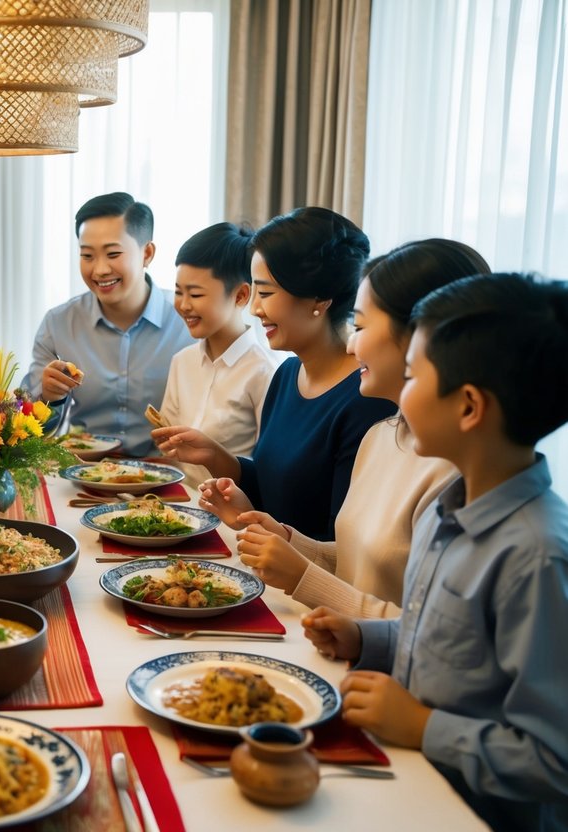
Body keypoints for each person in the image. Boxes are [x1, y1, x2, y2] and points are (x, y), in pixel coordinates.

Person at [304, 273, 568, 831]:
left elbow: (553, 760)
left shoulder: (537, 556)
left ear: (469, 406)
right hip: (407, 779)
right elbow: (453, 646)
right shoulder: (448, 508)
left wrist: (425, 726)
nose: (403, 388)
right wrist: (368, 637)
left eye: (416, 375)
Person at [228, 240, 486, 617]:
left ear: (423, 338)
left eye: (360, 326)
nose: (350, 345)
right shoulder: (382, 435)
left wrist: (303, 575)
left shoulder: (457, 474)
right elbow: (358, 561)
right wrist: (289, 541)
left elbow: (428, 634)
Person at [155, 206, 394, 539]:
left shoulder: (365, 397)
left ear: (319, 299)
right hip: (267, 567)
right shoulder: (288, 375)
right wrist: (216, 456)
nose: (254, 307)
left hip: (308, 586)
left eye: (265, 293)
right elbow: (272, 492)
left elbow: (342, 545)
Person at [23, 192, 194, 457]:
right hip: (82, 472)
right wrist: (48, 397)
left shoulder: (187, 321)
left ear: (147, 253)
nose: (100, 270)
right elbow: (30, 431)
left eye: (113, 254)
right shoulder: (58, 324)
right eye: (87, 256)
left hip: (166, 473)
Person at [158, 222, 278, 485]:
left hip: (232, 514)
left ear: (240, 296)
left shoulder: (265, 371)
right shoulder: (182, 362)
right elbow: (168, 449)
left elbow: (269, 470)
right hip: (178, 505)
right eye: (179, 292)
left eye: (196, 294)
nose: (184, 305)